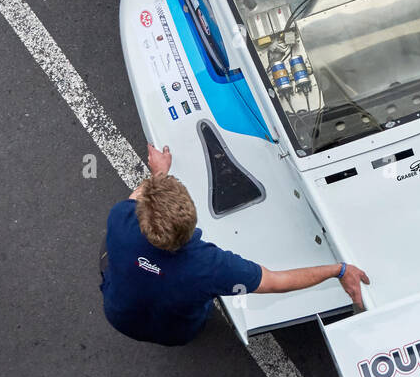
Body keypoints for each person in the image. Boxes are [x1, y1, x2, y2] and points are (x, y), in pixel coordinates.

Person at [100, 143, 370, 346]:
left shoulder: (120, 217)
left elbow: (138, 197)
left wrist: (159, 174)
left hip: (119, 316)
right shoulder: (211, 267)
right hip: (176, 333)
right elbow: (277, 282)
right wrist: (339, 270)